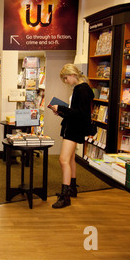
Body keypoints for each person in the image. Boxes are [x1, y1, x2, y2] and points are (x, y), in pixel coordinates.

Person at [48, 63, 95, 209]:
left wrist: (61, 108)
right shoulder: (81, 89)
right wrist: (62, 111)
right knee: (71, 158)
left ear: (73, 75)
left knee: (63, 160)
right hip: (73, 127)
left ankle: (65, 196)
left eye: (66, 78)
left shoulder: (81, 90)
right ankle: (72, 187)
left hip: (74, 129)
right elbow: (76, 111)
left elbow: (80, 114)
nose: (66, 81)